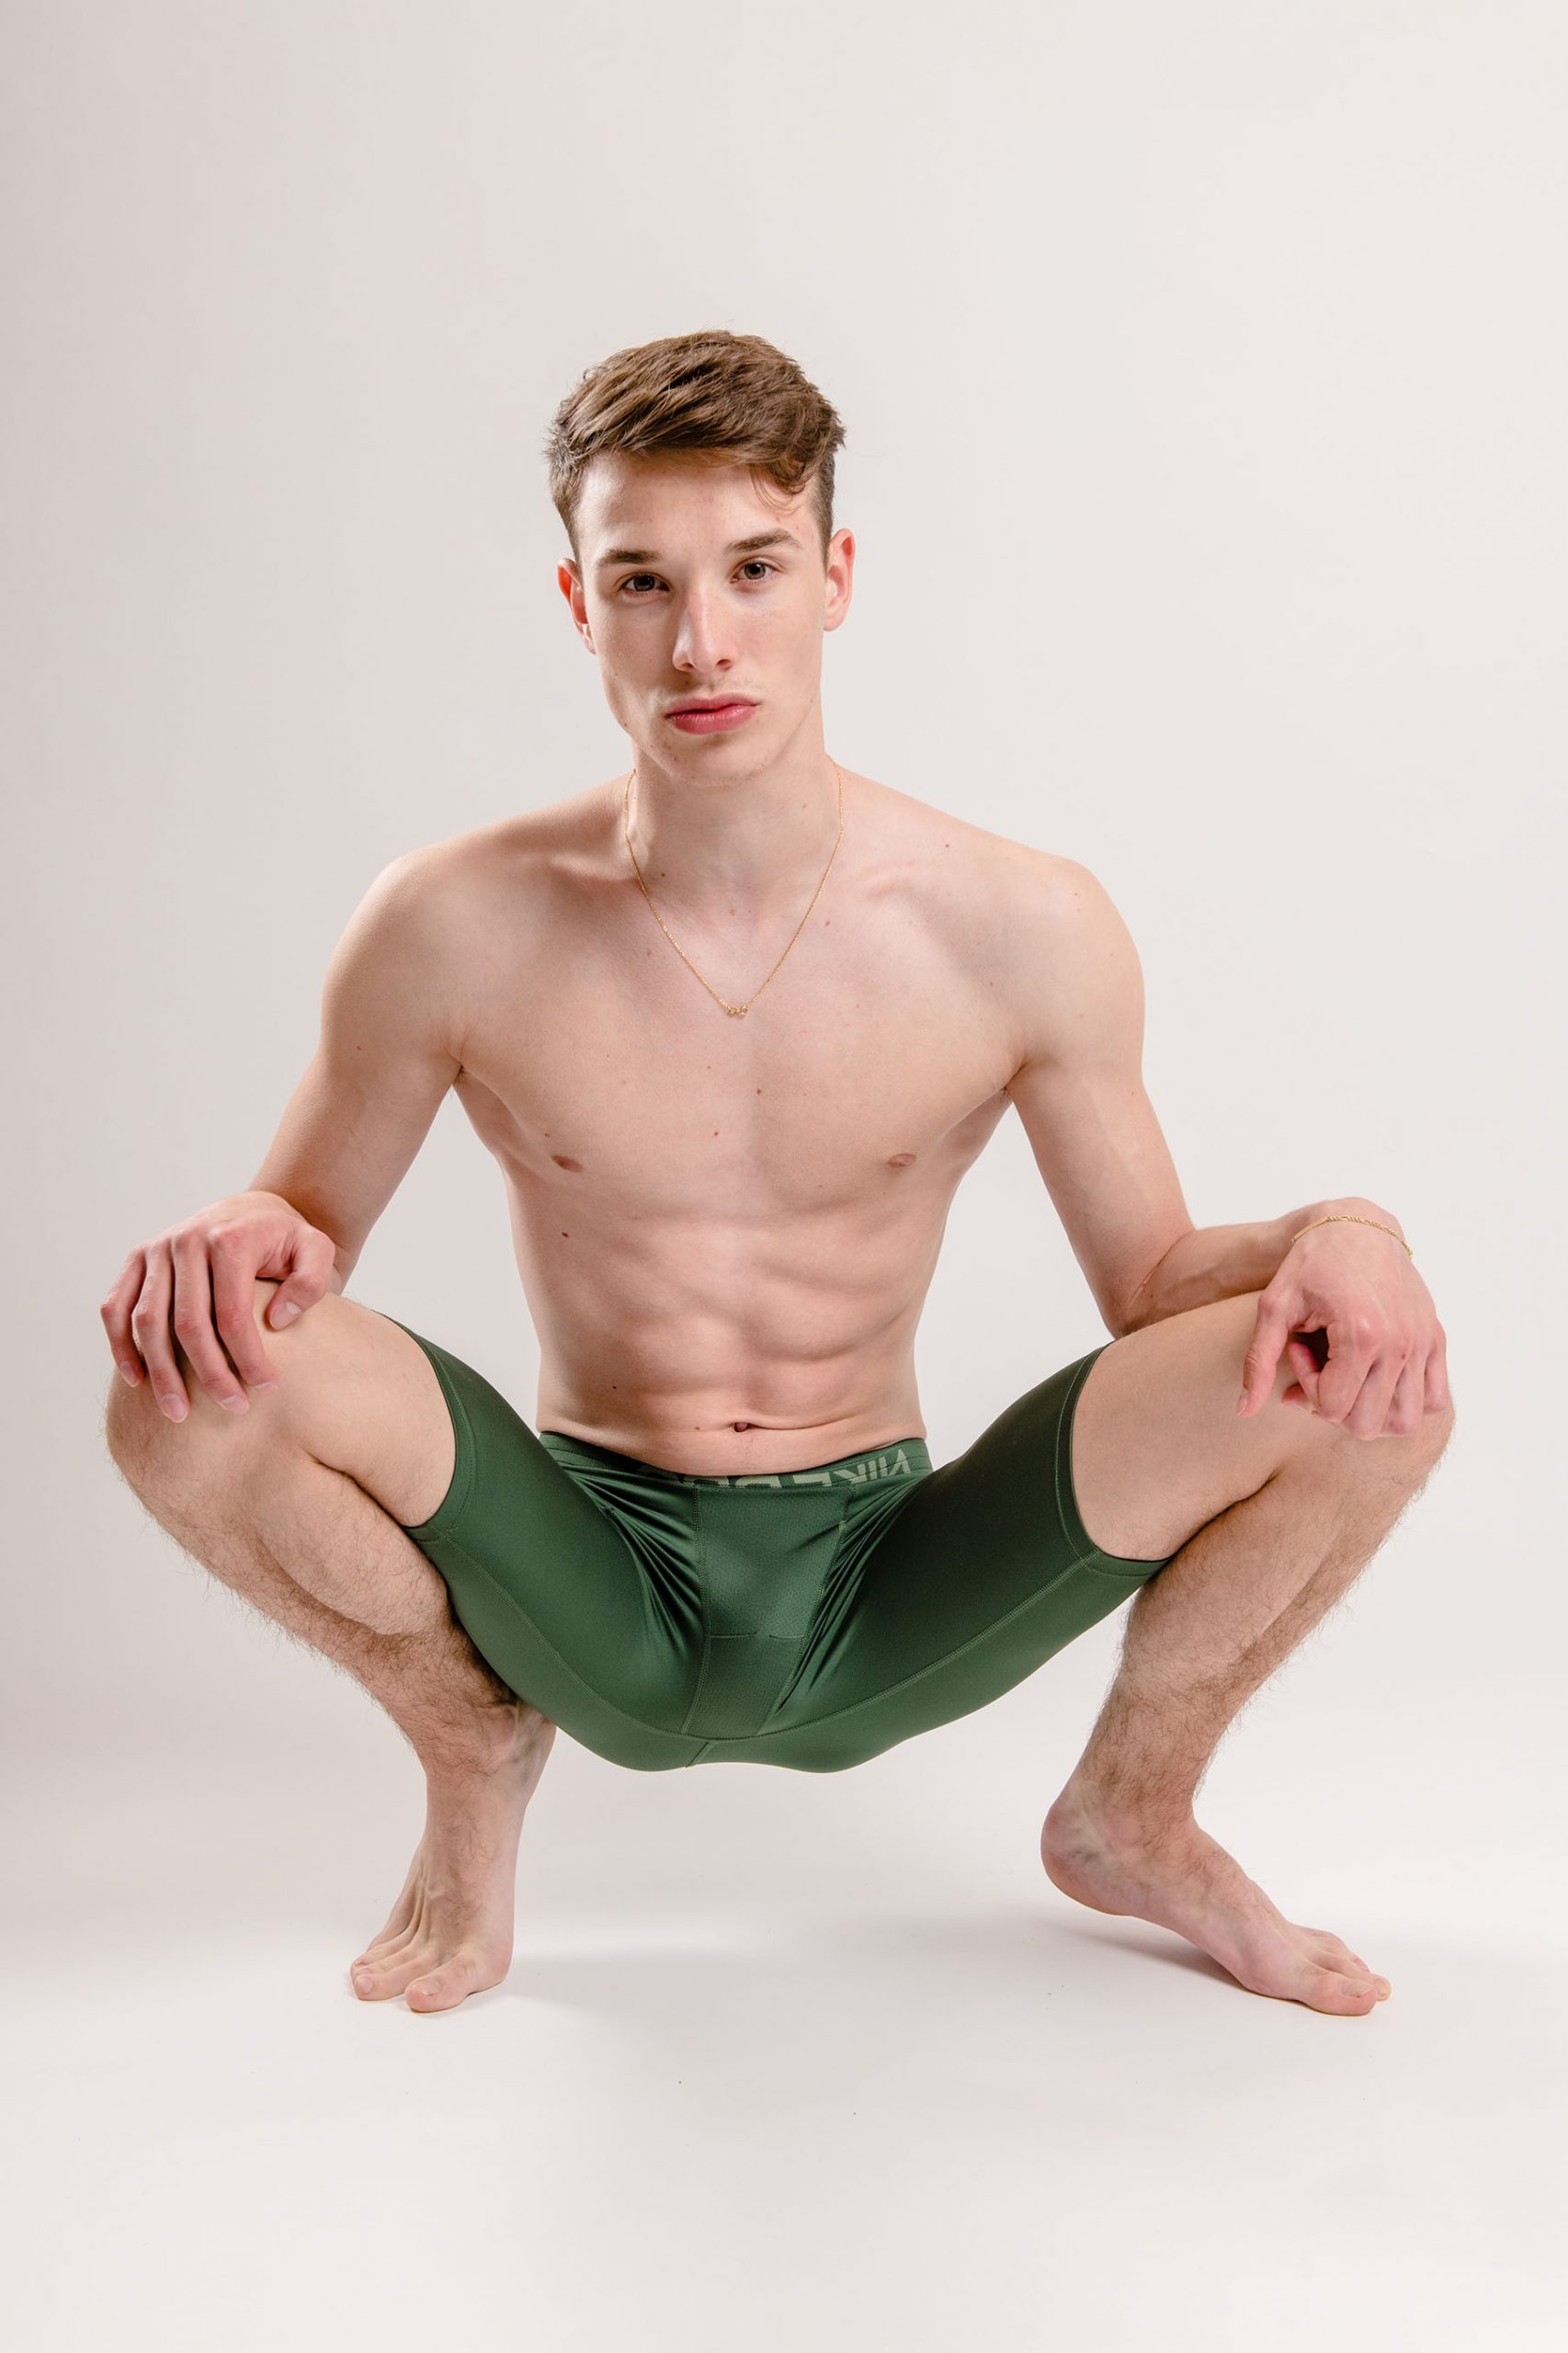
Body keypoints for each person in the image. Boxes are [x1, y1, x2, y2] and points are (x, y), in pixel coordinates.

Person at [102, 328, 1454, 2020]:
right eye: (643, 582)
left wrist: (1351, 1230)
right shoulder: (450, 921)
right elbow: (295, 1248)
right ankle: (470, 1744)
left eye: (752, 567)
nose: (702, 640)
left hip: (896, 1583)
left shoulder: (1020, 924)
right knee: (185, 1384)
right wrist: (242, 1229)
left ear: (835, 575)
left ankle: (1134, 1814)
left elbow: (1153, 1289)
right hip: (582, 1575)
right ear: (579, 603)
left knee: (1368, 1383)